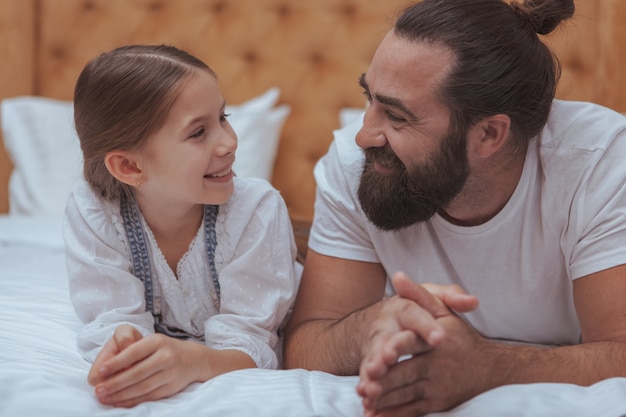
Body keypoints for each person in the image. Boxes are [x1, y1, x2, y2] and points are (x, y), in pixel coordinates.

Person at [283, 0, 626, 415]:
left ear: (488, 135)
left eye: (395, 116)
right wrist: (370, 325)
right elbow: (304, 346)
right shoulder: (353, 164)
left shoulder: (600, 162)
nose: (364, 135)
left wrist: (488, 366)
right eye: (367, 98)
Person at [64, 44, 300, 408]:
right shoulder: (95, 213)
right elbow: (112, 320)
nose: (230, 142)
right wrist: (123, 352)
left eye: (224, 117)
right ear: (129, 167)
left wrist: (193, 362)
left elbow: (254, 345)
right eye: (198, 132)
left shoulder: (256, 210)